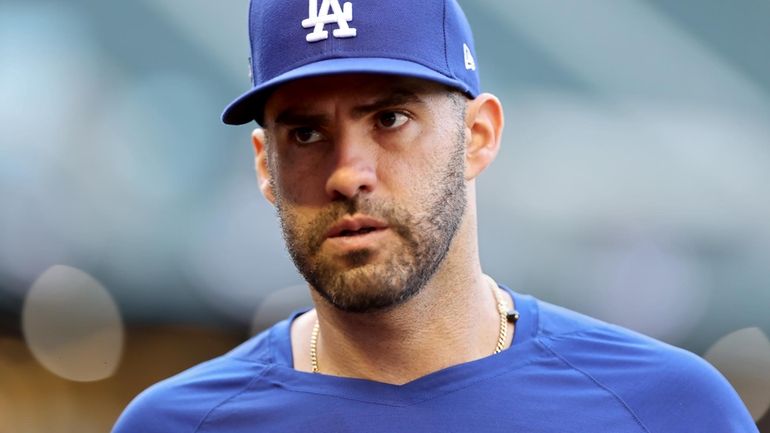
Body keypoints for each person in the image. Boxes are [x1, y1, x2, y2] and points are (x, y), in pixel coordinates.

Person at [113, 0, 758, 431]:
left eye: (390, 119)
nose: (347, 173)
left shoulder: (667, 409)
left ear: (477, 135)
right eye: (305, 134)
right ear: (264, 166)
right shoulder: (176, 425)